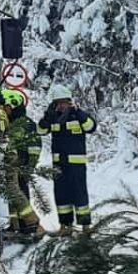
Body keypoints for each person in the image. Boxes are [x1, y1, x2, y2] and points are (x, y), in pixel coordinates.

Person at [38, 86, 98, 235]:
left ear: (69, 102)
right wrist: (47, 117)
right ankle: (65, 226)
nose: (61, 106)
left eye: (64, 102)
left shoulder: (78, 116)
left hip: (76, 164)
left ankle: (85, 226)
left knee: (79, 195)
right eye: (58, 103)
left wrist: (79, 113)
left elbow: (91, 127)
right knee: (62, 196)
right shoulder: (53, 117)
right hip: (59, 164)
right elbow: (40, 131)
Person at [0, 81, 41, 239]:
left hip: (8, 156)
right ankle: (16, 225)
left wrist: (28, 166)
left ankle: (32, 222)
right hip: (9, 154)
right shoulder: (0, 110)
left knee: (13, 189)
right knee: (12, 190)